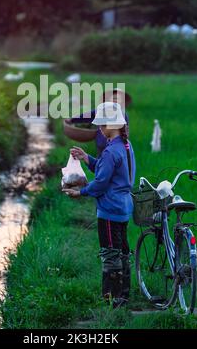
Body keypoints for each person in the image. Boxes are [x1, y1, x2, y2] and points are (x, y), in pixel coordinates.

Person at [63, 102, 135, 308]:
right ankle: (124, 295)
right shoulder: (125, 146)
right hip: (123, 207)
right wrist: (87, 158)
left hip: (110, 210)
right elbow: (108, 172)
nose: (100, 129)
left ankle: (112, 300)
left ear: (113, 125)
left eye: (103, 124)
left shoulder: (112, 151)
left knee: (110, 253)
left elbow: (102, 183)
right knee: (122, 250)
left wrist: (80, 192)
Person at [66, 88, 135, 179]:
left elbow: (124, 130)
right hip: (101, 146)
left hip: (111, 146)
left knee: (108, 170)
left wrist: (83, 191)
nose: (115, 100)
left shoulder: (122, 115)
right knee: (102, 167)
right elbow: (87, 115)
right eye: (113, 98)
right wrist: (72, 119)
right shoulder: (102, 111)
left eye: (118, 99)